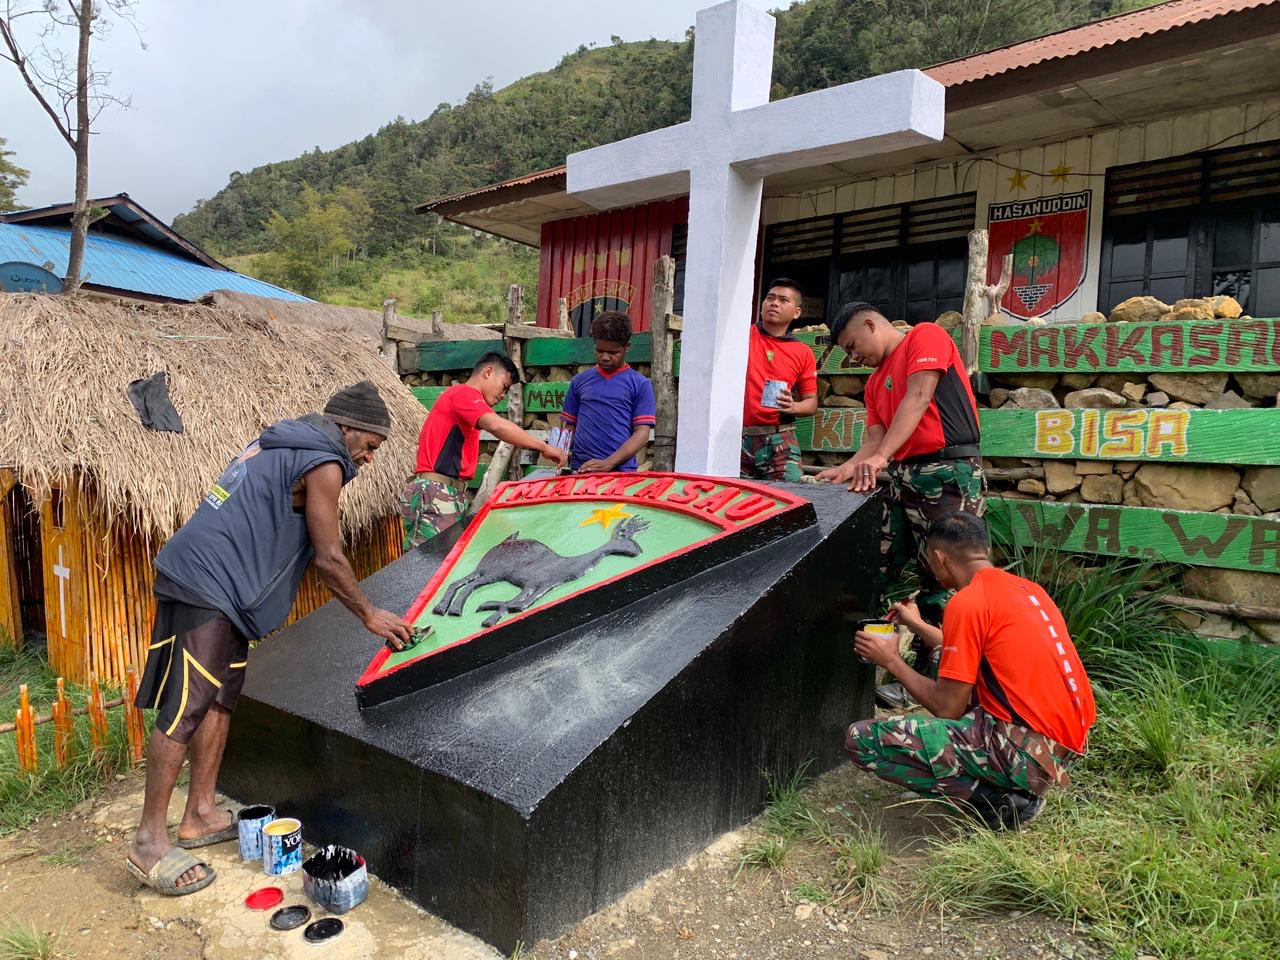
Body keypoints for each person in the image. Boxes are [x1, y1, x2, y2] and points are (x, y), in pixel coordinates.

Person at [127, 381, 414, 895]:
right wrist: (369, 613)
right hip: (207, 586)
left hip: (221, 589)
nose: (369, 459)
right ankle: (149, 839)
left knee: (219, 699)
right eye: (369, 446)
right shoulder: (323, 461)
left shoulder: (286, 443)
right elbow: (328, 556)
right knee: (187, 705)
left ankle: (199, 812)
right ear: (347, 429)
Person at [846, 513, 1096, 830]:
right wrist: (918, 625)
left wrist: (892, 660)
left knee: (861, 741)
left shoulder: (967, 602)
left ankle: (1003, 804)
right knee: (944, 660)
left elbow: (948, 707)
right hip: (1063, 746)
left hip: (1026, 754)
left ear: (938, 557)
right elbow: (972, 652)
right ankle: (1010, 780)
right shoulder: (1027, 589)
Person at [816, 302, 984, 705]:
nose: (854, 357)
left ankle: (947, 682)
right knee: (878, 562)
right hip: (905, 475)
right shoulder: (874, 383)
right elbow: (874, 440)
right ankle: (871, 664)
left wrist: (881, 459)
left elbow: (920, 394)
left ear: (872, 324)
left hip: (948, 471)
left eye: (854, 345)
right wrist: (844, 469)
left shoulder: (925, 337)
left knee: (947, 578)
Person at [400, 352, 568, 549]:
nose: (503, 395)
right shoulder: (464, 394)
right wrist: (544, 447)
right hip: (435, 492)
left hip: (447, 493)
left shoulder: (463, 400)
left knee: (444, 566)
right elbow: (497, 426)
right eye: (504, 387)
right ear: (488, 372)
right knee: (427, 568)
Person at [741, 278, 818, 483]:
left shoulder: (803, 352)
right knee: (734, 501)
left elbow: (811, 403)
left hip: (780, 437)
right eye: (770, 298)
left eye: (784, 300)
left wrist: (793, 407)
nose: (774, 303)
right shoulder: (741, 335)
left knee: (788, 503)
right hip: (737, 437)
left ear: (796, 312)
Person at [560, 310, 656, 473]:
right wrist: (560, 451)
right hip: (581, 469)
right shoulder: (579, 381)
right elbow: (569, 427)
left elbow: (642, 435)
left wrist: (609, 463)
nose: (605, 357)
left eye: (613, 353)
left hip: (620, 473)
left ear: (627, 347)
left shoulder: (640, 385)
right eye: (599, 351)